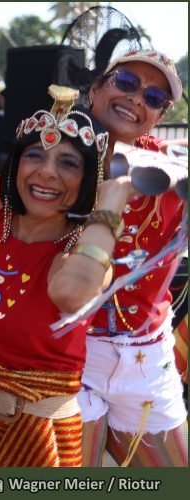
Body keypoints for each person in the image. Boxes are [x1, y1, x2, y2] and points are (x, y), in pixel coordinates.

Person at [0, 86, 122, 467]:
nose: (46, 171)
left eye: (68, 163)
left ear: (88, 179)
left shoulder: (82, 255)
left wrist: (112, 203)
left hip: (34, 441)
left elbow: (70, 294)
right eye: (35, 155)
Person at [79, 50, 187, 467]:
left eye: (155, 96)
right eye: (125, 82)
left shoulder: (170, 171)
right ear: (95, 89)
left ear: (158, 115)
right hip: (68, 356)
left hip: (145, 357)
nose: (137, 97)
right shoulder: (46, 154)